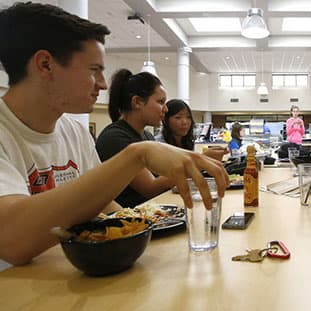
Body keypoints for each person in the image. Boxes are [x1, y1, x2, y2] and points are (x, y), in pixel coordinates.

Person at [0, 2, 228, 266]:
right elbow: (12, 240)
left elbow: (101, 203)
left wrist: (147, 230)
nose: (103, 84)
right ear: (45, 65)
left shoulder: (74, 132)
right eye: (94, 70)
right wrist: (138, 154)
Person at [95, 69, 175, 208]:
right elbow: (150, 188)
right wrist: (195, 165)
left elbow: (163, 174)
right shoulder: (115, 138)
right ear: (137, 102)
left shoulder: (147, 136)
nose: (166, 109)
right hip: (126, 219)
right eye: (160, 102)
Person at [155, 99, 227, 160]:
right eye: (178, 117)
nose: (185, 122)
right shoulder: (158, 144)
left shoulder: (186, 141)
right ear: (165, 120)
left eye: (188, 117)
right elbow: (175, 171)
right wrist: (203, 158)